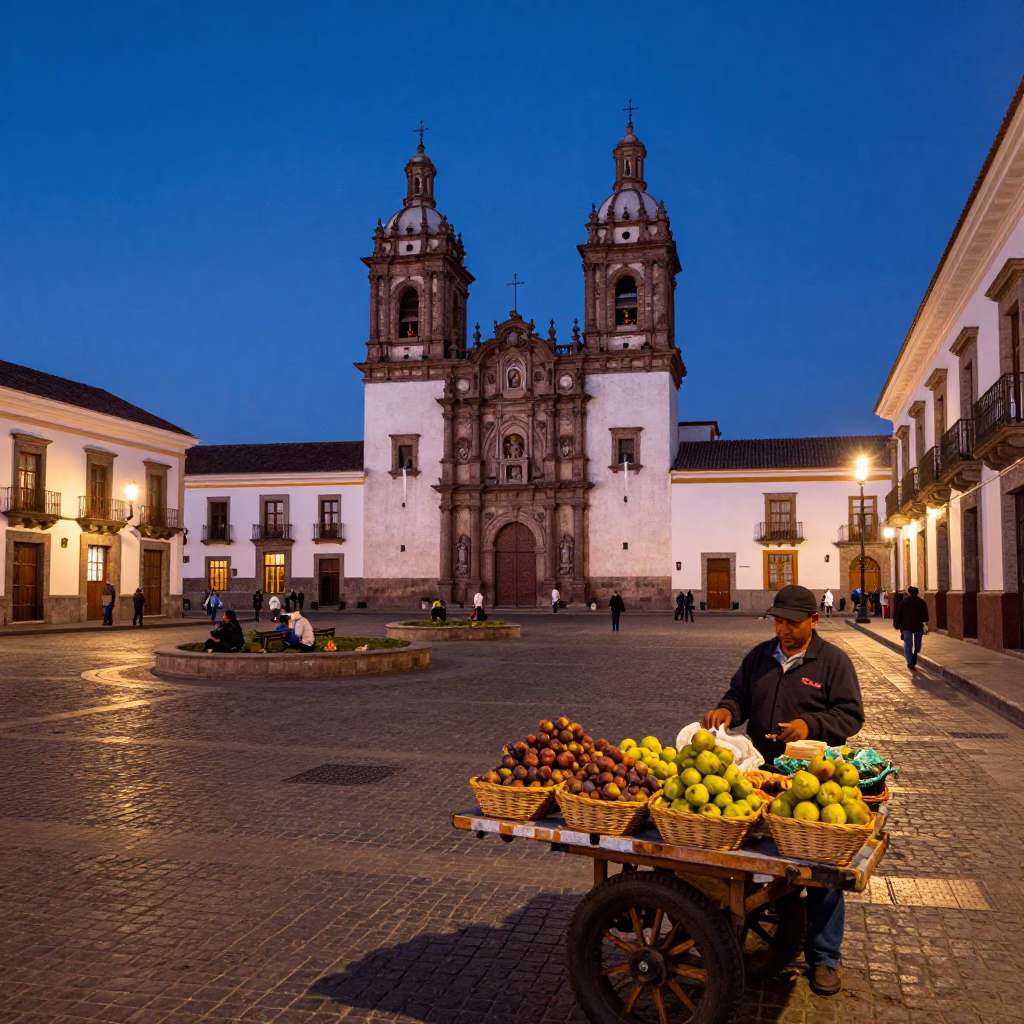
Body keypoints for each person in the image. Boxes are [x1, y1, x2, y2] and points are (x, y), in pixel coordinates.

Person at [700, 584, 864, 997]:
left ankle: (825, 957)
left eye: (792, 623)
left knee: (821, 869)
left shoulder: (833, 662)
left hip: (813, 785)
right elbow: (738, 695)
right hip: (761, 775)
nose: (784, 630)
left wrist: (810, 726)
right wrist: (727, 710)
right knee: (755, 859)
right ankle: (748, 926)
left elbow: (850, 715)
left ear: (814, 621)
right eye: (778, 621)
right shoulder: (759, 656)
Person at [893, 585, 929, 670]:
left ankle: (910, 662)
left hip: (906, 627)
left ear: (909, 592)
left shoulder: (904, 602)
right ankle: (915, 659)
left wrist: (897, 625)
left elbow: (899, 615)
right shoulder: (921, 602)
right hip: (918, 627)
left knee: (908, 644)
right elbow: (925, 617)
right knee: (917, 644)